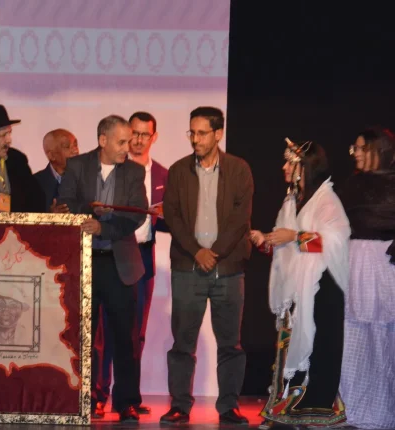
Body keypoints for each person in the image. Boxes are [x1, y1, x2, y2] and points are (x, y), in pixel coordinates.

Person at [161, 106, 253, 425]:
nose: (195, 139)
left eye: (202, 133)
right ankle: (179, 405)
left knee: (230, 343)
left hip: (228, 268)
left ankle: (228, 406)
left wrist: (214, 252)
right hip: (188, 267)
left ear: (218, 134)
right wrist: (196, 251)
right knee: (182, 342)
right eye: (192, 132)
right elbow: (172, 215)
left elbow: (241, 217)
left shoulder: (239, 169)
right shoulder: (178, 170)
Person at [252, 139, 350, 428]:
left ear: (304, 167)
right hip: (298, 288)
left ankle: (316, 407)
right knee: (290, 344)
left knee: (319, 346)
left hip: (322, 288)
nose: (284, 167)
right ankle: (288, 406)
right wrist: (266, 240)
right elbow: (285, 245)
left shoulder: (326, 199)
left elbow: (335, 242)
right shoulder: (292, 200)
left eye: (290, 163)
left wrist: (294, 237)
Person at [57, 114, 147, 423]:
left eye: (129, 141)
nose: (127, 147)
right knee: (83, 336)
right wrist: (90, 213)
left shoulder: (134, 171)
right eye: (122, 142)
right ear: (103, 140)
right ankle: (87, 398)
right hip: (84, 263)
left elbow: (136, 215)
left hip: (120, 264)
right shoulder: (77, 165)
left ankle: (127, 402)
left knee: (125, 338)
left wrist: (103, 228)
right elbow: (65, 204)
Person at [93, 111, 168, 417]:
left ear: (154, 137)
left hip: (141, 256)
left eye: (143, 135)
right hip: (109, 252)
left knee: (134, 331)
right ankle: (98, 394)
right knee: (101, 331)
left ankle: (129, 398)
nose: (137, 141)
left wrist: (165, 215)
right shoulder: (111, 168)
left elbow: (171, 221)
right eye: (133, 134)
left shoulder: (163, 175)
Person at [337, 128, 395, 429]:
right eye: (354, 148)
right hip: (356, 262)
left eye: (361, 148)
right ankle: (355, 410)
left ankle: (385, 412)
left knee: (386, 337)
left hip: (386, 265)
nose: (356, 153)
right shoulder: (351, 185)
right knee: (355, 337)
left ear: (379, 150)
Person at [34, 128, 79, 212]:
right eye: (67, 146)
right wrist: (50, 216)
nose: (75, 150)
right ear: (52, 155)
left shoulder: (88, 179)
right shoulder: (34, 183)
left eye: (75, 145)